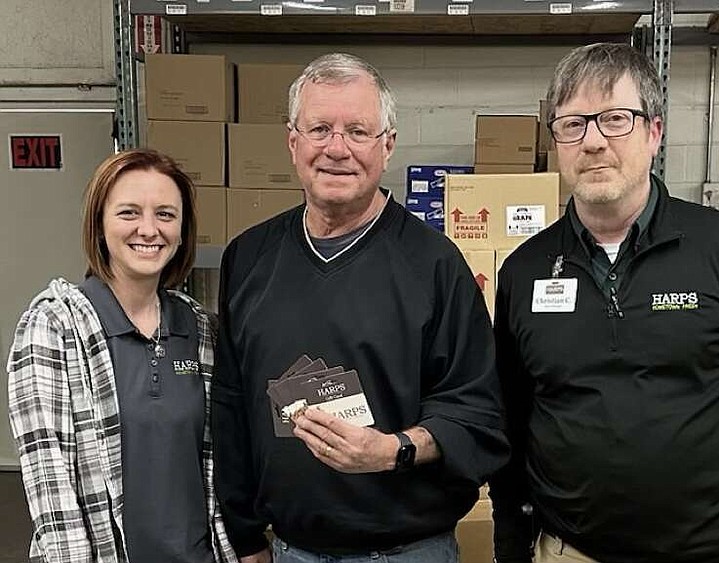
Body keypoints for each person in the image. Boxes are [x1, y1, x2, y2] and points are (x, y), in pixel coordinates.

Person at [489, 42, 719, 563]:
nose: (592, 142)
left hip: (712, 553)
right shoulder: (524, 271)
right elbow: (513, 418)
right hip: (570, 552)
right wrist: (510, 539)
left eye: (614, 119)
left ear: (654, 131)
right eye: (572, 124)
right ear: (558, 142)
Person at [211, 52, 509, 563]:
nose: (337, 149)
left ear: (387, 145)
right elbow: (231, 405)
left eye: (358, 131)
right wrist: (244, 536)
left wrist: (391, 450)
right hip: (288, 550)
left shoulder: (435, 264)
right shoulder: (248, 258)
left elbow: (477, 414)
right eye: (320, 129)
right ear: (292, 142)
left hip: (408, 550)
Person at [7, 148, 237, 563]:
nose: (148, 230)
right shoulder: (55, 327)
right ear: (99, 226)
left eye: (165, 215)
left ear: (183, 231)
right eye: (129, 213)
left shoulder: (200, 328)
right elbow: (49, 482)